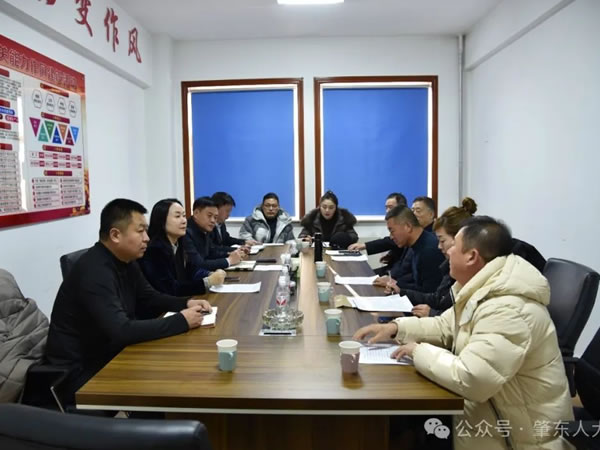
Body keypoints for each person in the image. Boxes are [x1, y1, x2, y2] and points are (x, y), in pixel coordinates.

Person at [354, 216, 573, 450]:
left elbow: (473, 379)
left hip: (515, 439)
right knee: (403, 424)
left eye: (453, 246)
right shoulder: (481, 287)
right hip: (486, 416)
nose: (446, 252)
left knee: (402, 427)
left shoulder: (508, 309)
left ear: (471, 256)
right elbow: (444, 326)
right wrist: (396, 328)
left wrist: (418, 351)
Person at [45, 199, 212, 404]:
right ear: (115, 235)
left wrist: (186, 303)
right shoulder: (94, 271)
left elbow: (150, 297)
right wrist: (182, 321)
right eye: (140, 231)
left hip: (111, 352)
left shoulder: (125, 260)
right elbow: (121, 330)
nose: (147, 238)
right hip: (81, 372)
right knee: (172, 381)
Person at [386, 197, 477, 317]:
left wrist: (433, 314)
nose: (439, 247)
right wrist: (400, 290)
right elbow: (438, 298)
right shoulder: (450, 266)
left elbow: (457, 318)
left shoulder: (430, 251)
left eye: (442, 241)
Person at [139, 198, 225, 297]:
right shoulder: (154, 250)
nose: (184, 221)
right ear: (161, 220)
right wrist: (208, 282)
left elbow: (192, 270)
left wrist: (210, 274)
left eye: (184, 216)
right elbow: (170, 289)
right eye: (177, 216)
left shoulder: (179, 243)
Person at [374, 205, 444, 293]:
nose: (391, 237)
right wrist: (393, 283)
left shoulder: (429, 250)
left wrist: (396, 284)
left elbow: (429, 293)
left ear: (408, 227)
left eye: (392, 231)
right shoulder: (415, 244)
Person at [348, 192, 407, 275]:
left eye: (390, 207)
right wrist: (391, 255)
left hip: (400, 272)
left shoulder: (406, 224)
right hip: (393, 266)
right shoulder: (394, 222)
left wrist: (364, 245)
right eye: (386, 208)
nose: (387, 211)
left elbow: (390, 241)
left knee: (366, 276)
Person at [184, 196, 246, 270]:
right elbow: (198, 265)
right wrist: (229, 261)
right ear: (196, 213)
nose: (213, 221)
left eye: (215, 217)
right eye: (209, 216)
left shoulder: (204, 229)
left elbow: (212, 252)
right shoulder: (186, 232)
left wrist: (230, 254)